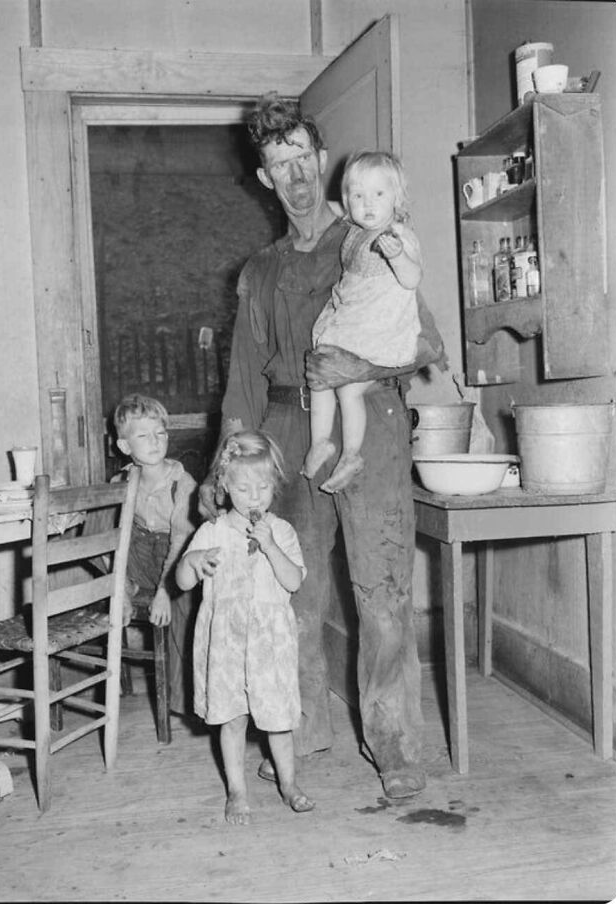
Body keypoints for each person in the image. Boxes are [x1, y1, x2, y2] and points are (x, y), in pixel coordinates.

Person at [200, 92, 447, 800]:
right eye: (281, 165)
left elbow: (427, 343)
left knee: (384, 593)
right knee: (291, 597)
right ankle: (296, 732)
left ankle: (396, 748)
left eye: (304, 158)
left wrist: (362, 368)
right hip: (285, 438)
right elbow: (243, 381)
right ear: (266, 179)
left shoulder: (370, 238)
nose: (297, 176)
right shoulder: (261, 270)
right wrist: (226, 464)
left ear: (322, 161)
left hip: (372, 425)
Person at [176, 429, 313, 825]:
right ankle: (236, 791)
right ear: (223, 485)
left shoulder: (282, 531)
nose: (254, 497)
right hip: (227, 643)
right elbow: (182, 582)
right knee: (232, 719)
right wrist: (193, 562)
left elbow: (293, 582)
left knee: (278, 721)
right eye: (243, 487)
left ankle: (288, 784)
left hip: (271, 644)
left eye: (264, 487)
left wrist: (270, 546)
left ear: (275, 485)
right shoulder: (212, 532)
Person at [302, 150, 423, 494]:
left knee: (349, 389)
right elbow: (329, 207)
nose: (368, 204)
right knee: (322, 380)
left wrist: (397, 256)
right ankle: (320, 441)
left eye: (379, 194)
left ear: (397, 199)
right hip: (352, 317)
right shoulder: (354, 228)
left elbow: (413, 278)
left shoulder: (397, 235)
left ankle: (351, 454)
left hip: (378, 327)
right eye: (358, 195)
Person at [113, 393, 198, 714]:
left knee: (182, 608)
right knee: (108, 528)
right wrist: (119, 589)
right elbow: (115, 542)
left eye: (160, 433)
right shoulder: (121, 480)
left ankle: (184, 700)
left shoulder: (182, 482)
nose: (154, 442)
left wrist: (164, 592)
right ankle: (126, 587)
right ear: (125, 446)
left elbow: (180, 541)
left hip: (173, 561)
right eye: (143, 435)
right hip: (136, 559)